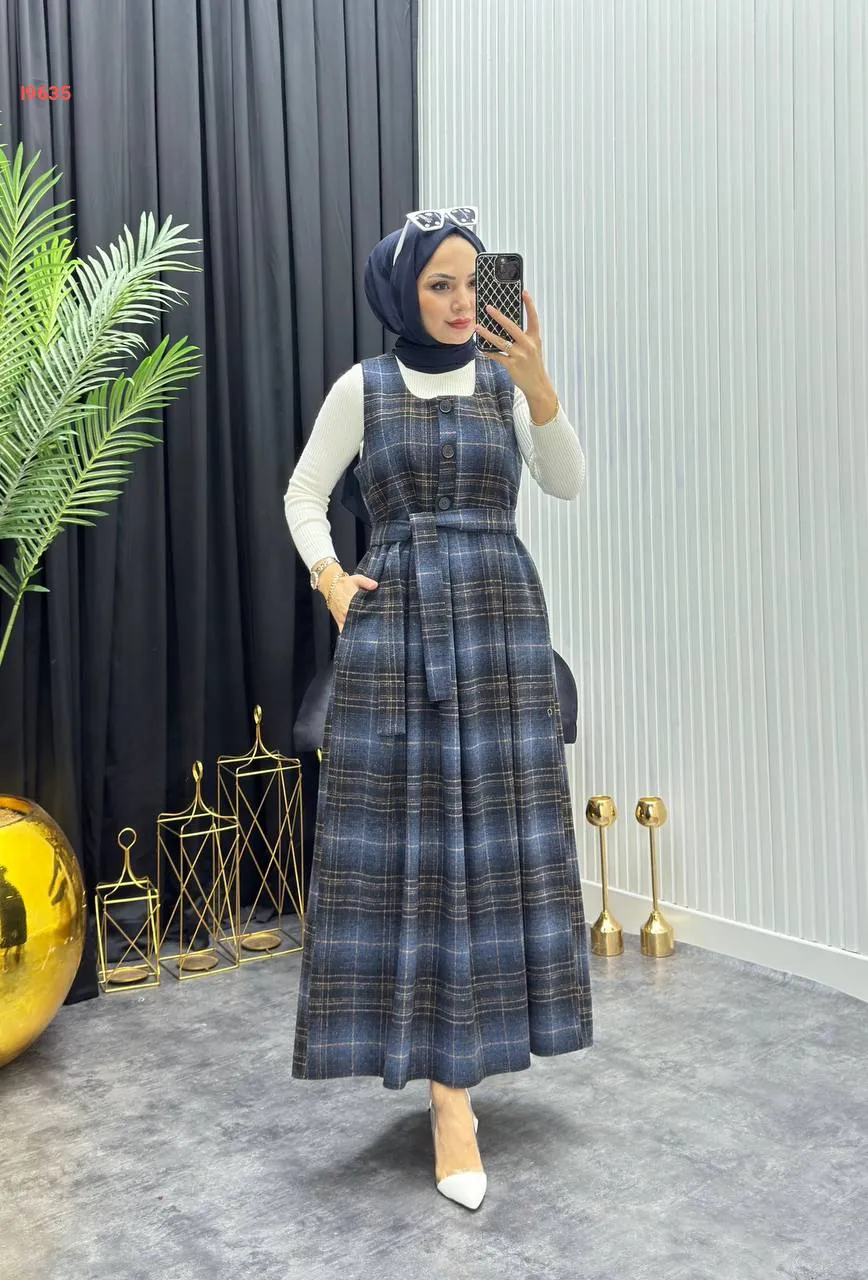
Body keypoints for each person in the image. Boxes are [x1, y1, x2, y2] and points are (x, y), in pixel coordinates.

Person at [283, 209, 593, 1210]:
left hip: (501, 629)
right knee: (410, 851)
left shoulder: (505, 383)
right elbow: (303, 494)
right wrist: (332, 577)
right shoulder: (363, 389)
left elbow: (566, 482)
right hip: (396, 633)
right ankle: (448, 1101)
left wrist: (540, 386)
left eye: (472, 282)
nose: (463, 303)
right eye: (440, 285)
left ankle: (470, 1057)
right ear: (402, 293)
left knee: (494, 848)